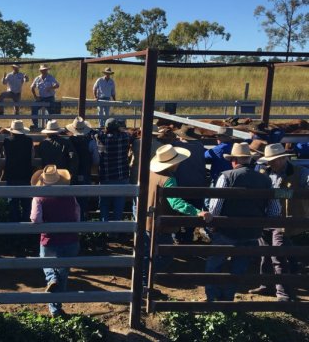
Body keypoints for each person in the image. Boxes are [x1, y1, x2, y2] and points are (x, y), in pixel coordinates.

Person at [205, 142, 281, 302]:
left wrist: (213, 225)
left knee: (215, 263)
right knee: (239, 266)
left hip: (226, 229)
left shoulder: (226, 176)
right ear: (249, 159)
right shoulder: (265, 180)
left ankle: (212, 298)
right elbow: (275, 209)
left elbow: (215, 206)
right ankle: (228, 297)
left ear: (233, 160)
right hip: (251, 231)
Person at [146, 145, 213, 286]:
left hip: (147, 219)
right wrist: (197, 212)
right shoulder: (169, 180)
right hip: (162, 222)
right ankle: (146, 279)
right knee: (166, 255)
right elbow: (176, 202)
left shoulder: (151, 174)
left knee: (149, 252)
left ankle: (145, 278)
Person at [249, 143, 309, 301]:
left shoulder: (301, 172)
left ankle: (283, 293)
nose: (271, 163)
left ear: (284, 158)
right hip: (266, 218)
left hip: (284, 219)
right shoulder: (263, 171)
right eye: (270, 160)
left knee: (278, 255)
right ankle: (267, 285)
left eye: (274, 160)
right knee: (266, 254)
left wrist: (277, 193)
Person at [30, 165, 80, 317]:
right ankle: (56, 308)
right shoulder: (70, 195)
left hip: (50, 239)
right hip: (70, 238)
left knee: (46, 263)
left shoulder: (39, 197)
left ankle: (52, 281)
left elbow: (36, 219)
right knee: (63, 274)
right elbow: (77, 215)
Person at [96, 118, 132, 223]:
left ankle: (104, 227)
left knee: (104, 203)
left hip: (106, 176)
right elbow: (129, 134)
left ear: (106, 128)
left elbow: (96, 133)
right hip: (122, 176)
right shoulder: (125, 137)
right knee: (119, 204)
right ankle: (116, 230)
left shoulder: (101, 137)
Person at [66, 117, 100, 220]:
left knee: (71, 200)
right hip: (85, 173)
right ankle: (82, 223)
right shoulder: (90, 142)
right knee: (83, 200)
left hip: (71, 174)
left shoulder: (69, 141)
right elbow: (96, 160)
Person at [1, 120, 34, 223]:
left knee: (13, 203)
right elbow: (32, 156)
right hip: (26, 174)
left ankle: (13, 226)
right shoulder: (29, 140)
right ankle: (27, 226)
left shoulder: (7, 141)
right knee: (27, 203)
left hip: (11, 175)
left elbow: (5, 155)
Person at [30, 64, 60, 130]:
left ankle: (50, 126)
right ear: (40, 71)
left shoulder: (50, 77)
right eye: (42, 70)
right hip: (41, 98)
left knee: (51, 112)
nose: (44, 71)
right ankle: (37, 125)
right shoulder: (37, 78)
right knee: (34, 108)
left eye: (45, 70)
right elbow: (32, 87)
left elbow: (57, 85)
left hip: (50, 97)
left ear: (47, 70)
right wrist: (35, 96)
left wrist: (51, 87)